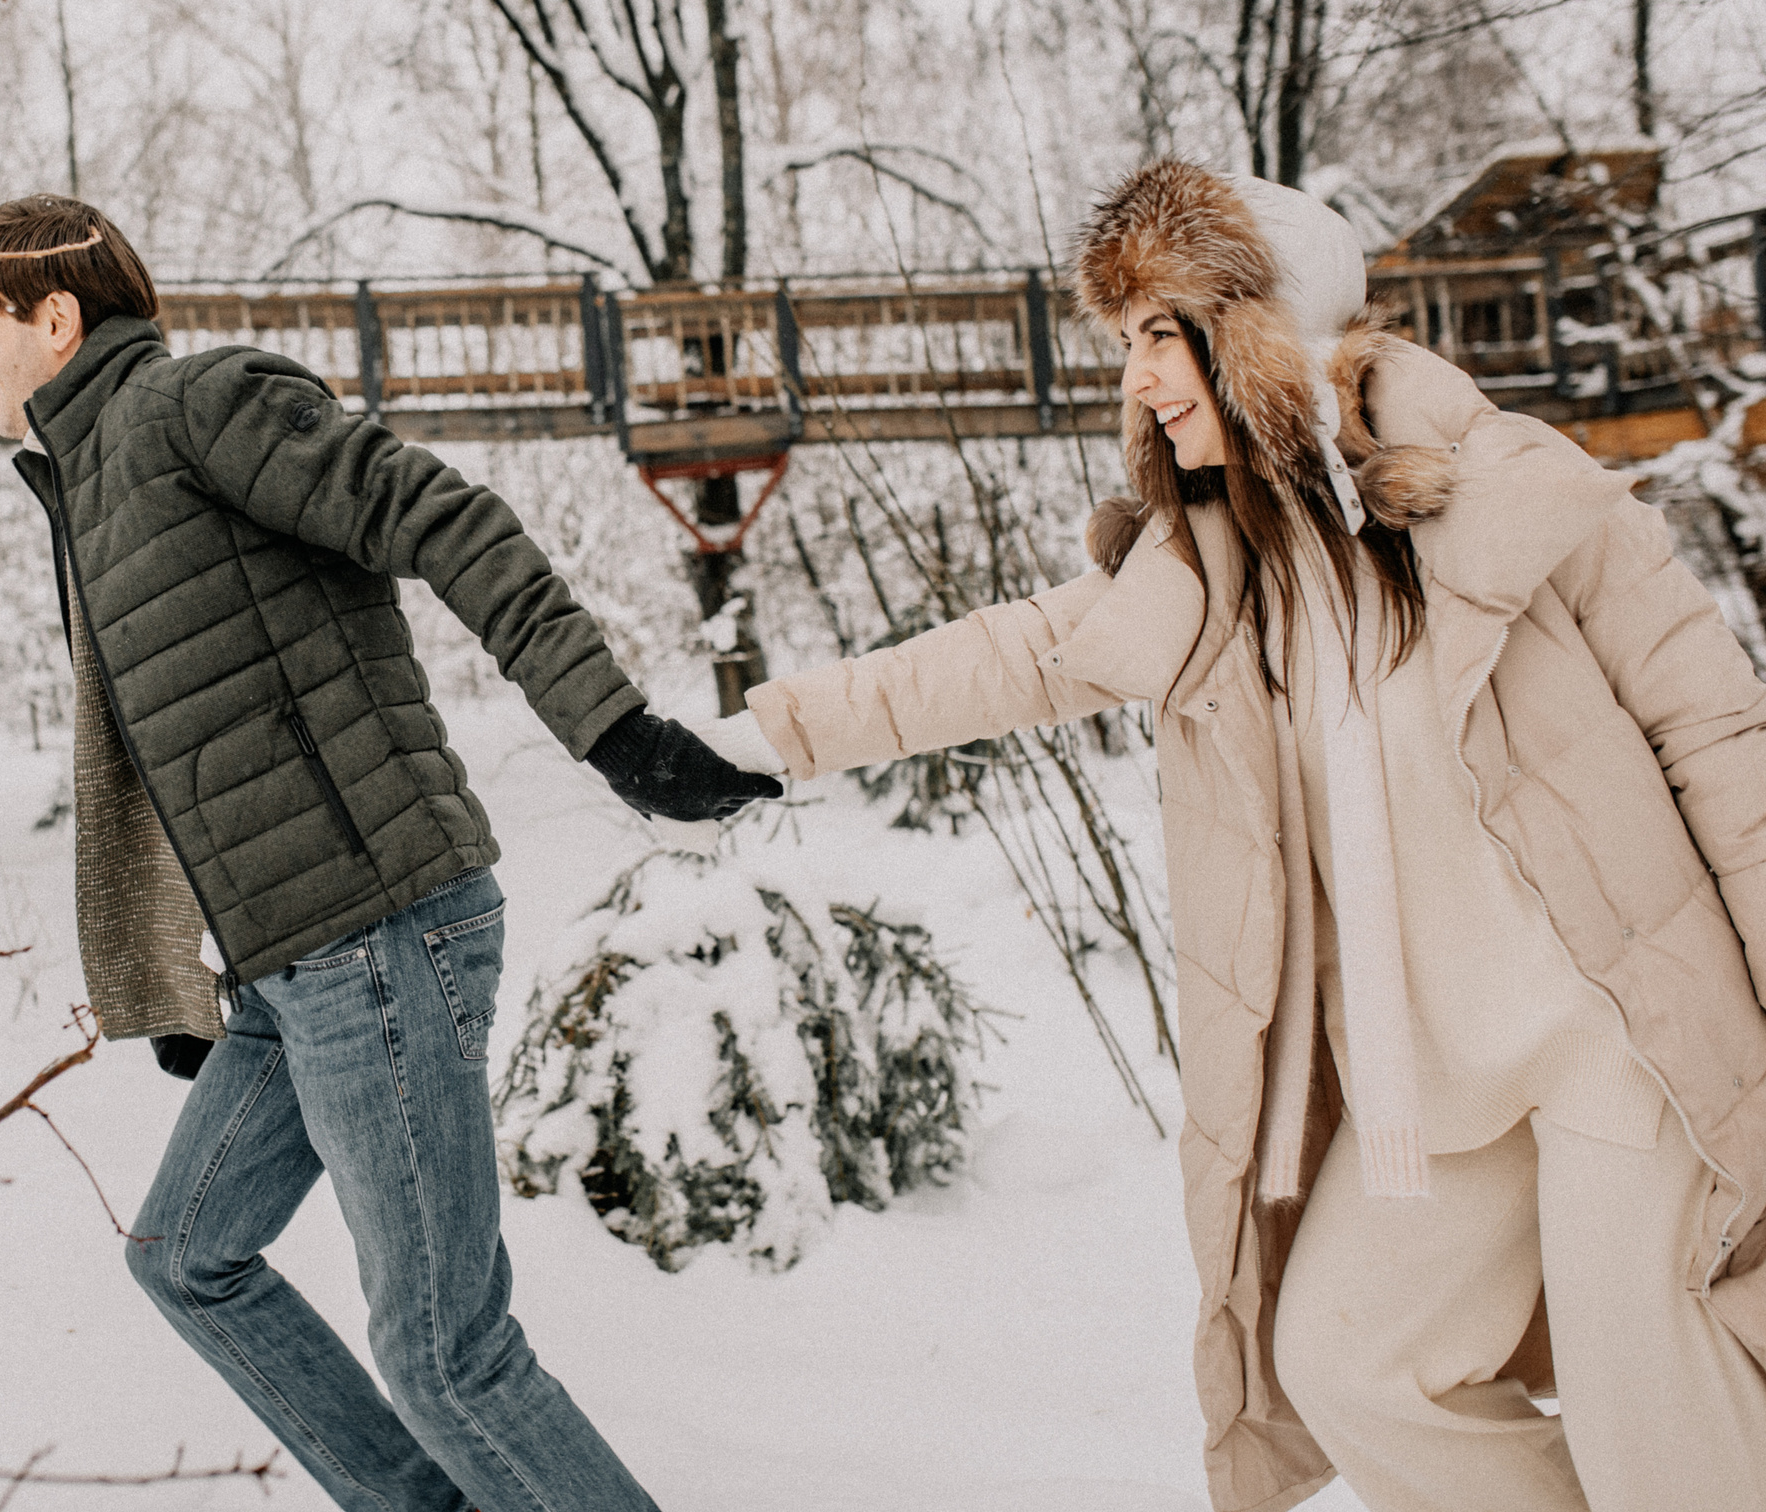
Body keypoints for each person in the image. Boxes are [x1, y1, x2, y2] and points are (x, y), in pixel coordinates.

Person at [696, 160, 1766, 1512]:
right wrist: (764, 739)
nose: (1138, 379)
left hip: (1623, 1040)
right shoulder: (1213, 579)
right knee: (1351, 1358)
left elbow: (1722, 740)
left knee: (1658, 1428)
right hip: (1433, 1082)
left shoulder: (1513, 492)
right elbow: (1016, 656)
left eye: (1161, 334)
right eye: (1127, 344)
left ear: (1258, 328)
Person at [0, 193, 774, 1512]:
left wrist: (608, 724)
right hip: (289, 966)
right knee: (184, 1255)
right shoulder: (86, 486)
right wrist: (172, 968)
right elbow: (164, 737)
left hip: (379, 931)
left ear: (58, 318)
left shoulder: (199, 409)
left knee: (448, 1357)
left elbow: (444, 513)